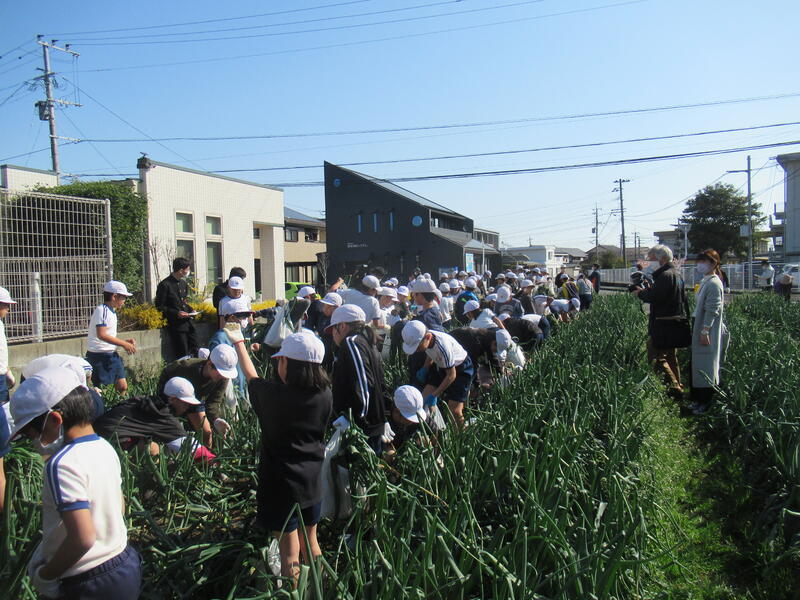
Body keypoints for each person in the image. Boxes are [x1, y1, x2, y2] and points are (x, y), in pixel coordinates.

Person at [9, 367, 141, 599]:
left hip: (88, 580)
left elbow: (83, 537)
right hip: (124, 564)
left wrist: (46, 575)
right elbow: (119, 507)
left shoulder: (61, 464)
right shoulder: (104, 447)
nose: (34, 442)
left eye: (31, 434)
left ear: (54, 420)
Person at [227, 329, 332, 586]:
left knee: (289, 554)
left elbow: (251, 377)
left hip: (281, 486)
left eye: (281, 360)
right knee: (312, 542)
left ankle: (295, 592)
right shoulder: (325, 394)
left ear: (288, 364)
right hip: (312, 482)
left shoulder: (275, 397)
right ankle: (321, 589)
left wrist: (239, 343)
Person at [95, 377, 216, 463]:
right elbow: (189, 447)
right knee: (153, 450)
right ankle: (150, 485)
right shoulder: (162, 414)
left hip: (96, 435)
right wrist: (214, 462)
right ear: (172, 399)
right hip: (110, 441)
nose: (187, 407)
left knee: (157, 446)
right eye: (185, 403)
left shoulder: (147, 401)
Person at [326, 305, 390, 454]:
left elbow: (364, 383)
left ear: (342, 326)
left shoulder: (352, 342)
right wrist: (384, 415)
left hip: (362, 429)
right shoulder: (367, 342)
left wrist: (355, 419)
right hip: (372, 424)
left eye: (334, 328)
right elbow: (380, 382)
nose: (333, 334)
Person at [156, 345, 239, 448]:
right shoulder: (187, 369)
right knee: (196, 432)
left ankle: (206, 454)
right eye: (220, 372)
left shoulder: (223, 377)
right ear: (209, 364)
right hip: (174, 391)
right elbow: (193, 407)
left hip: (194, 395)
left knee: (206, 433)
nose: (223, 376)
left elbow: (213, 402)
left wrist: (216, 420)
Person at [631, 244, 686, 399]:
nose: (649, 262)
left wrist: (641, 294)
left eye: (651, 259)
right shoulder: (676, 274)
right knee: (671, 357)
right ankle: (678, 384)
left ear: (661, 258)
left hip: (663, 322)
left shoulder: (665, 276)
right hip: (675, 321)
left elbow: (656, 297)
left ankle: (674, 388)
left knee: (656, 356)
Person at [402, 320, 474, 429]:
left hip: (461, 369)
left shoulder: (442, 346)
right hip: (441, 365)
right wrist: (425, 367)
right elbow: (431, 353)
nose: (416, 350)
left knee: (454, 410)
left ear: (427, 337)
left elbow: (451, 375)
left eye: (417, 347)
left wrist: (435, 395)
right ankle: (435, 429)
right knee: (422, 399)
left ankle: (462, 433)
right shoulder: (428, 339)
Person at [690, 249, 726, 415]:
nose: (700, 265)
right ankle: (698, 400)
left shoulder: (714, 283)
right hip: (700, 326)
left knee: (707, 365)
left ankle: (706, 402)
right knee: (700, 364)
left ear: (714, 263)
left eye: (704, 261)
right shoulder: (706, 281)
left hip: (707, 329)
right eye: (699, 261)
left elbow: (712, 309)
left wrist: (705, 330)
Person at [85, 281, 136, 396]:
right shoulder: (102, 311)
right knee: (103, 390)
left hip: (111, 354)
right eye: (123, 297)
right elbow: (102, 335)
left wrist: (125, 342)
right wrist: (124, 344)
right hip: (100, 356)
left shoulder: (111, 311)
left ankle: (120, 404)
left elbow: (108, 336)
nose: (125, 300)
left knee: (122, 386)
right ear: (114, 296)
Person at [155, 257, 198, 360]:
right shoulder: (165, 285)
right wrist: (176, 313)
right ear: (181, 270)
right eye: (187, 269)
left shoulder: (183, 283)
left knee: (196, 350)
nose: (188, 272)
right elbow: (160, 306)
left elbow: (183, 303)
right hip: (177, 325)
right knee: (183, 355)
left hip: (188, 323)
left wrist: (191, 310)